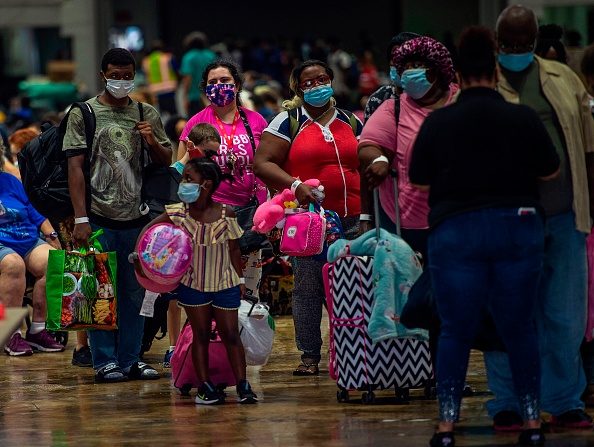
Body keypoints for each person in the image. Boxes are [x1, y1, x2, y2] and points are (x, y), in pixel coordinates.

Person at [409, 26, 560, 447]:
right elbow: (550, 171)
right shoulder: (522, 117)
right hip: (518, 225)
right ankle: (532, 422)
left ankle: (446, 425)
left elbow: (419, 179)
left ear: (457, 71)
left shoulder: (440, 121)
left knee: (455, 329)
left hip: (457, 231)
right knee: (519, 327)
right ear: (495, 70)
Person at [484, 4, 594, 430]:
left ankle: (563, 399)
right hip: (505, 221)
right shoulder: (481, 82)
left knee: (564, 314)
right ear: (497, 42)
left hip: (564, 213)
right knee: (507, 312)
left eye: (523, 43)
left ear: (534, 40)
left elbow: (587, 144)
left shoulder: (562, 77)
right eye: (508, 44)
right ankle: (508, 401)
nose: (515, 50)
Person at [63, 48, 172, 383]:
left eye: (127, 75)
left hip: (137, 220)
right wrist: (80, 219)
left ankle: (131, 358)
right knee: (97, 292)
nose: (121, 81)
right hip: (97, 219)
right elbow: (75, 168)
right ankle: (104, 361)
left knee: (135, 294)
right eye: (115, 75)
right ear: (103, 74)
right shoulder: (84, 113)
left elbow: (166, 159)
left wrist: (151, 141)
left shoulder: (146, 112)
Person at [254, 59, 362, 375]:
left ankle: (351, 354)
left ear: (332, 80)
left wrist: (369, 214)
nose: (317, 86)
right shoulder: (288, 121)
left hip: (353, 219)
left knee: (351, 288)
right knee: (308, 290)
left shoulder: (351, 121)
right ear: (298, 89)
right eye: (309, 82)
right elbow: (262, 163)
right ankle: (310, 356)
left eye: (322, 79)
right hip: (309, 223)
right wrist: (295, 184)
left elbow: (367, 164)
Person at [136, 154, 258, 405]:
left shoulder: (227, 213)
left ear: (207, 184)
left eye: (189, 179)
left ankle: (244, 385)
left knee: (231, 335)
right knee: (200, 335)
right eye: (184, 179)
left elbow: (235, 250)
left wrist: (241, 280)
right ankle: (205, 387)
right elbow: (149, 232)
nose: (184, 184)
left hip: (225, 284)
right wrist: (142, 258)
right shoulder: (177, 213)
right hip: (192, 286)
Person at [358, 36, 459, 261]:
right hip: (403, 217)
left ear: (438, 69)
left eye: (418, 65)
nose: (410, 72)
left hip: (455, 213)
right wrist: (379, 160)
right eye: (407, 67)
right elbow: (368, 144)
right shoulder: (392, 106)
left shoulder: (460, 101)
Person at [177, 60, 269, 300]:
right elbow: (181, 173)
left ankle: (243, 337)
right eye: (212, 83)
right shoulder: (195, 123)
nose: (219, 86)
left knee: (248, 291)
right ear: (205, 89)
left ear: (237, 85)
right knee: (212, 286)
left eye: (225, 81)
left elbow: (268, 164)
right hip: (210, 218)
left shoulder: (256, 121)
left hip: (252, 215)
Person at [0, 150, 64, 356]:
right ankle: (10, 332)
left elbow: (31, 210)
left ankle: (37, 330)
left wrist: (51, 234)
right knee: (14, 264)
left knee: (53, 261)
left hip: (27, 239)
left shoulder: (9, 180)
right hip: (2, 244)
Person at [363, 31, 420, 123]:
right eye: (394, 56)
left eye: (403, 58)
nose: (396, 62)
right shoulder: (379, 99)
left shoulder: (429, 99)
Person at [180, 32, 217, 117]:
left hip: (194, 96)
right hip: (212, 96)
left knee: (196, 125)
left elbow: (187, 78)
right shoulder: (211, 55)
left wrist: (185, 96)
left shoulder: (188, 57)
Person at [141, 40, 179, 116]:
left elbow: (145, 75)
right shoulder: (168, 57)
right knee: (173, 114)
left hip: (155, 91)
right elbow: (176, 70)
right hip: (169, 89)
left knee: (160, 115)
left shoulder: (146, 61)